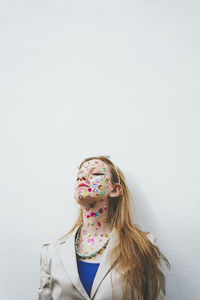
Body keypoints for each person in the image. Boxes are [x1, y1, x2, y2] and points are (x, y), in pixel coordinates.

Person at [38, 155, 171, 300]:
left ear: (115, 190)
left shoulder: (143, 245)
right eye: (79, 177)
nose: (82, 179)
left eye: (95, 174)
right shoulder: (52, 253)